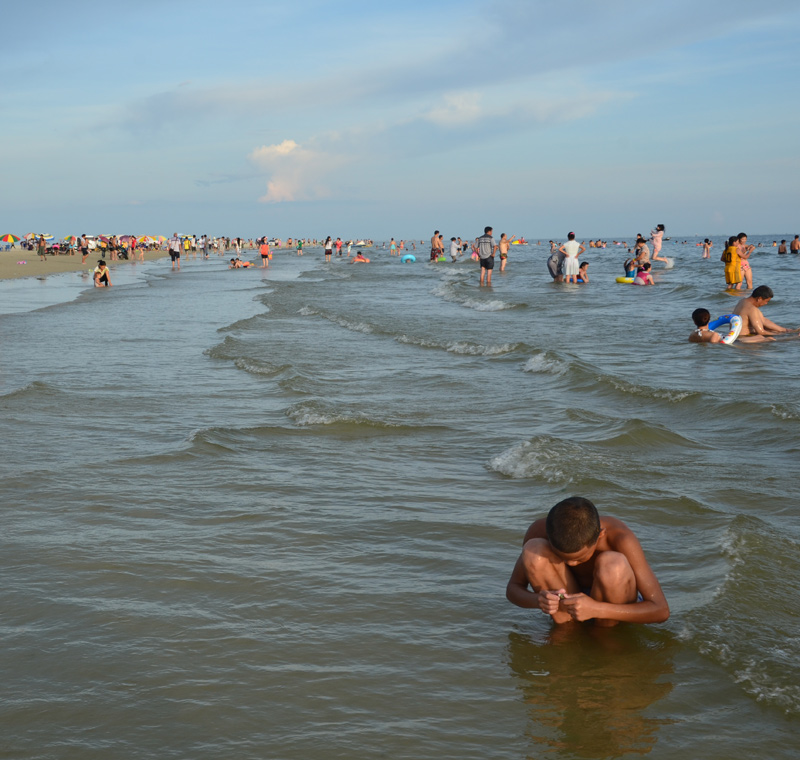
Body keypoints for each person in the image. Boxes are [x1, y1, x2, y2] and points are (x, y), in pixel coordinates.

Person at [505, 496, 669, 626]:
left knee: (613, 564)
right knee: (533, 549)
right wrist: (538, 600)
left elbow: (660, 610)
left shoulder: (620, 538)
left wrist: (597, 609)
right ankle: (567, 631)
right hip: (568, 606)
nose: (571, 564)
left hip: (612, 607)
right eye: (562, 558)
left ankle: (605, 635)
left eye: (580, 558)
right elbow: (513, 589)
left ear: (600, 536)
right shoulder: (539, 531)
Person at [734, 285, 798, 337]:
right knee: (769, 338)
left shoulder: (743, 301)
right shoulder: (752, 309)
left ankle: (788, 331)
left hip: (737, 336)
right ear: (759, 298)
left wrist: (785, 330)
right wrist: (783, 335)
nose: (766, 303)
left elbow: (763, 320)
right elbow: (761, 332)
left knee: (773, 331)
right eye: (766, 301)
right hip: (743, 338)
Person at [688, 307, 772, 344]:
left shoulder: (692, 334)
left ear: (694, 322)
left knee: (760, 337)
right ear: (709, 320)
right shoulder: (713, 335)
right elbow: (716, 345)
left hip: (728, 340)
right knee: (763, 338)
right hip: (735, 342)